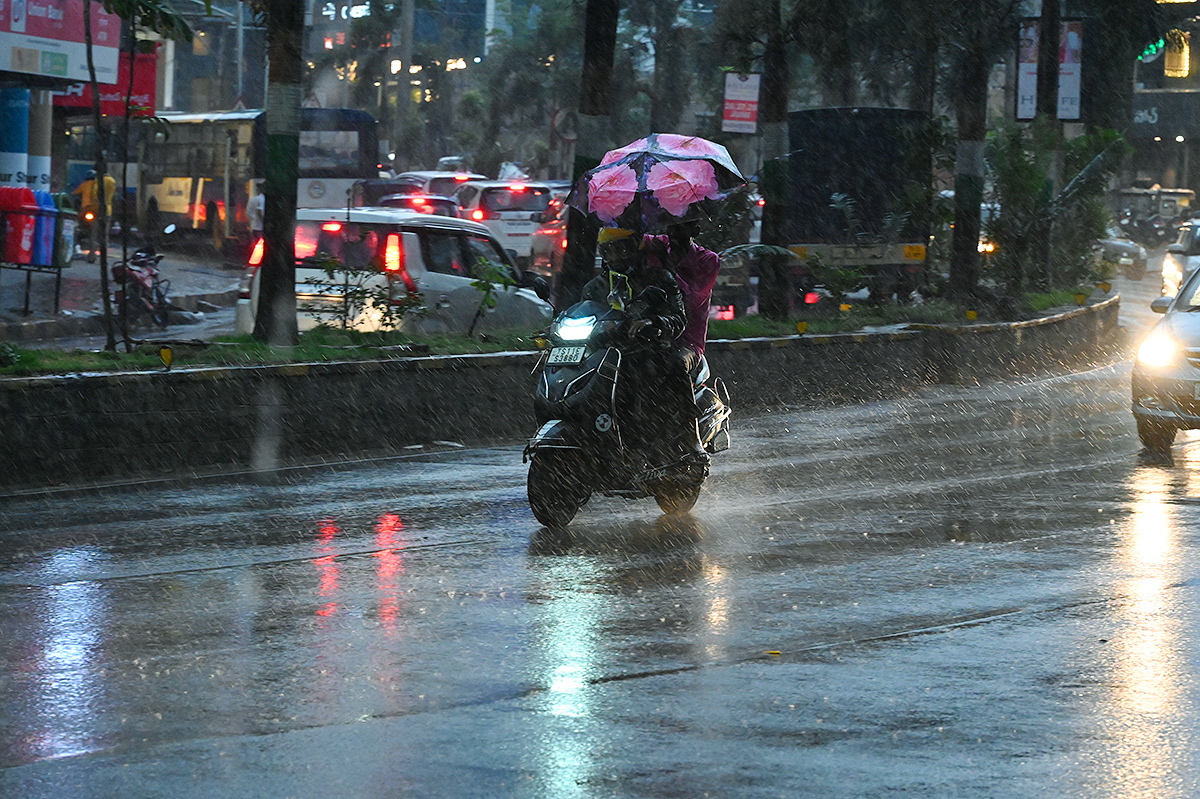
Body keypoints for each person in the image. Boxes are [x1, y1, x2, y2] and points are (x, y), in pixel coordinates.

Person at [583, 227, 706, 463]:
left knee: (675, 366)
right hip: (609, 353)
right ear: (603, 254)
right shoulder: (594, 287)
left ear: (635, 248)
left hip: (651, 349)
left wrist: (653, 321)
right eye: (610, 251)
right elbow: (583, 314)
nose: (617, 256)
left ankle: (692, 437)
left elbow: (678, 319)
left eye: (622, 248)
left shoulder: (659, 279)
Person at [73, 168, 116, 262]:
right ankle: (103, 258)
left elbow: (94, 194)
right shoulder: (112, 181)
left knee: (94, 233)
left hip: (97, 209)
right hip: (108, 210)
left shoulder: (97, 181)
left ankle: (92, 256)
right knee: (104, 234)